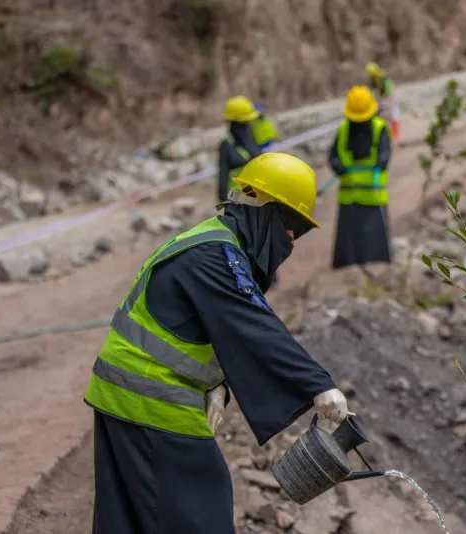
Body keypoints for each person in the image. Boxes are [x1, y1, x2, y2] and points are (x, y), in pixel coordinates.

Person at [84, 152, 352, 534]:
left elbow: (205, 325)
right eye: (290, 224)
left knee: (128, 520)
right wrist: (318, 385)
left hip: (125, 394)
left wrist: (217, 385)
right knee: (200, 510)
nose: (292, 238)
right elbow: (252, 324)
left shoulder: (214, 243)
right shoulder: (214, 256)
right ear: (263, 208)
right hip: (148, 399)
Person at [328, 85, 392, 270]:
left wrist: (382, 160)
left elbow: (385, 155)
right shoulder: (343, 130)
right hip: (349, 199)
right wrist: (337, 166)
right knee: (348, 247)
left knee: (374, 249)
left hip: (374, 198)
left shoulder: (380, 129)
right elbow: (333, 155)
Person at [217, 95, 263, 204]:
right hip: (238, 201)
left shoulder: (250, 136)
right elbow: (223, 176)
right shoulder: (227, 145)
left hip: (256, 196)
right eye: (247, 121)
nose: (249, 124)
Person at [365, 62, 401, 140]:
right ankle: (387, 137)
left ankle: (396, 137)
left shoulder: (383, 79)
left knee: (394, 117)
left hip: (390, 99)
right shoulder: (374, 80)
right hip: (383, 100)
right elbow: (373, 90)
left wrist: (386, 103)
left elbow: (389, 92)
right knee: (381, 119)